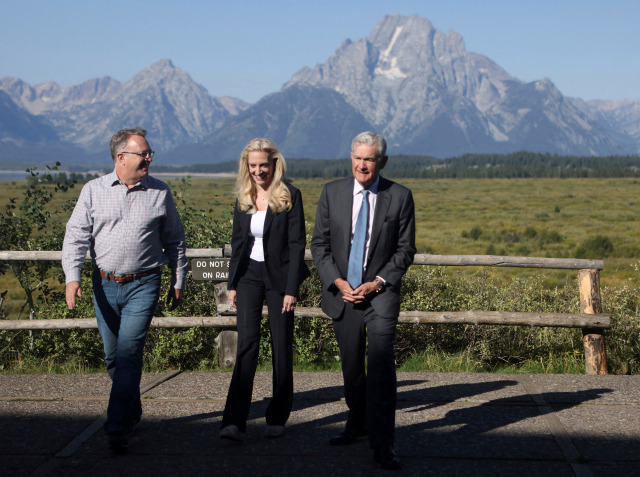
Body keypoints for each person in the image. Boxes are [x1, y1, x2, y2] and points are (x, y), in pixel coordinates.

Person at [62, 127, 188, 453]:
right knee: (113, 357)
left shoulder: (160, 192)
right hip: (102, 283)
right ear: (121, 157)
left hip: (144, 283)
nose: (148, 158)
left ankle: (116, 425)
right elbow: (76, 236)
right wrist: (72, 277)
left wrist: (178, 278)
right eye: (143, 153)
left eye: (149, 154)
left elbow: (174, 238)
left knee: (130, 351)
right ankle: (131, 411)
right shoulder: (93, 190)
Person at [310, 131, 416, 470]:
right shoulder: (332, 192)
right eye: (357, 157)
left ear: (382, 161)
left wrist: (377, 283)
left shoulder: (399, 196)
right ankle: (357, 423)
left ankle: (383, 442)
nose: (361, 164)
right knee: (351, 368)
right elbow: (319, 246)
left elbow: (405, 250)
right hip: (343, 294)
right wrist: (337, 281)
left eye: (368, 159)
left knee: (381, 367)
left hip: (379, 295)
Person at [219, 138, 309, 441]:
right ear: (247, 165)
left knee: (281, 345)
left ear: (274, 164)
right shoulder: (243, 197)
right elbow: (237, 243)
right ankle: (233, 421)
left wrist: (291, 288)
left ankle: (278, 417)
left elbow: (297, 246)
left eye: (263, 165)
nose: (258, 171)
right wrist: (232, 283)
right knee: (247, 343)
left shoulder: (290, 196)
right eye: (253, 165)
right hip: (248, 276)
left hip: (280, 278)